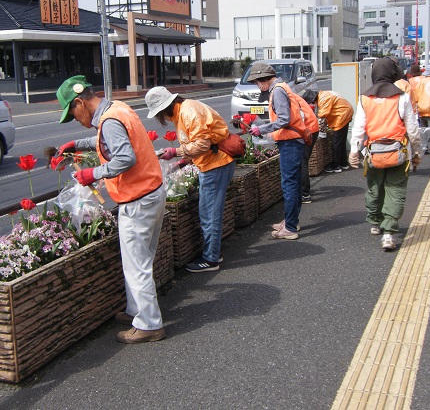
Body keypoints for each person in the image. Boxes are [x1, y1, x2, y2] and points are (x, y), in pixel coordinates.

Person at [53, 76, 167, 344]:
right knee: (141, 260)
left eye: (72, 113)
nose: (76, 119)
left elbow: (125, 157)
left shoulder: (110, 120)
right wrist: (78, 144)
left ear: (80, 102)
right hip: (151, 193)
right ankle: (137, 311)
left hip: (137, 199)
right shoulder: (118, 108)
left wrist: (93, 173)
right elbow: (109, 142)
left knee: (135, 266)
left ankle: (149, 324)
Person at [145, 86, 236, 272]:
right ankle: (213, 253)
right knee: (209, 212)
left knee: (209, 214)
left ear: (165, 107)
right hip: (212, 163)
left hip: (215, 164)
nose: (160, 118)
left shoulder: (188, 112)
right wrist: (183, 162)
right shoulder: (185, 110)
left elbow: (202, 144)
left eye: (159, 113)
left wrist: (175, 152)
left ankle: (211, 259)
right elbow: (198, 141)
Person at [348, 58, 422, 251]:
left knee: (374, 188)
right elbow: (412, 129)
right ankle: (389, 233)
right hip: (398, 153)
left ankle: (374, 222)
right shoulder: (402, 97)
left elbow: (359, 127)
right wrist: (417, 152)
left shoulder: (365, 98)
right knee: (395, 191)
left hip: (373, 153)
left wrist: (354, 151)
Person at [247, 62, 319, 239]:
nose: (258, 86)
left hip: (291, 142)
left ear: (263, 79)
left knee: (290, 184)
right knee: (292, 183)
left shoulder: (277, 91)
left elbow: (284, 120)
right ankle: (290, 220)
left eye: (257, 82)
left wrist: (261, 130)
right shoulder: (282, 87)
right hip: (294, 140)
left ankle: (291, 227)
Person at [312, 90, 354, 173]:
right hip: (346, 112)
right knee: (341, 141)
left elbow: (323, 114)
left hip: (341, 115)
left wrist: (315, 120)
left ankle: (336, 165)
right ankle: (344, 163)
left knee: (336, 142)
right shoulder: (325, 93)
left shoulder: (323, 98)